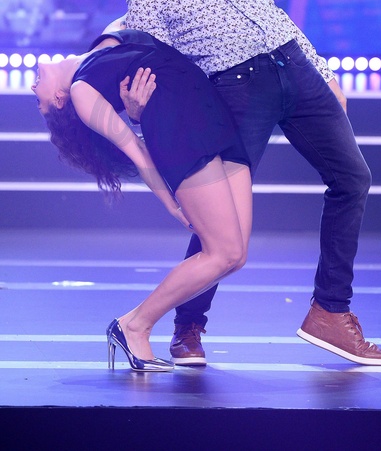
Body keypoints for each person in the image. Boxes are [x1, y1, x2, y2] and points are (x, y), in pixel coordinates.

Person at [119, 0, 381, 367]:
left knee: (353, 177)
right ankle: (188, 326)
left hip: (295, 70)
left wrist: (322, 71)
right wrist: (137, 112)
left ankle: (330, 312)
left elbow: (273, 13)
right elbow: (150, 73)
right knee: (219, 218)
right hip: (238, 91)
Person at [32, 26, 252, 372]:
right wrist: (170, 203)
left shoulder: (107, 41)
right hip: (183, 132)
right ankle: (134, 326)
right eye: (39, 100)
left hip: (214, 116)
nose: (33, 88)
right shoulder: (81, 91)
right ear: (60, 99)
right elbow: (137, 152)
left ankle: (134, 324)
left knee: (235, 257)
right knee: (222, 252)